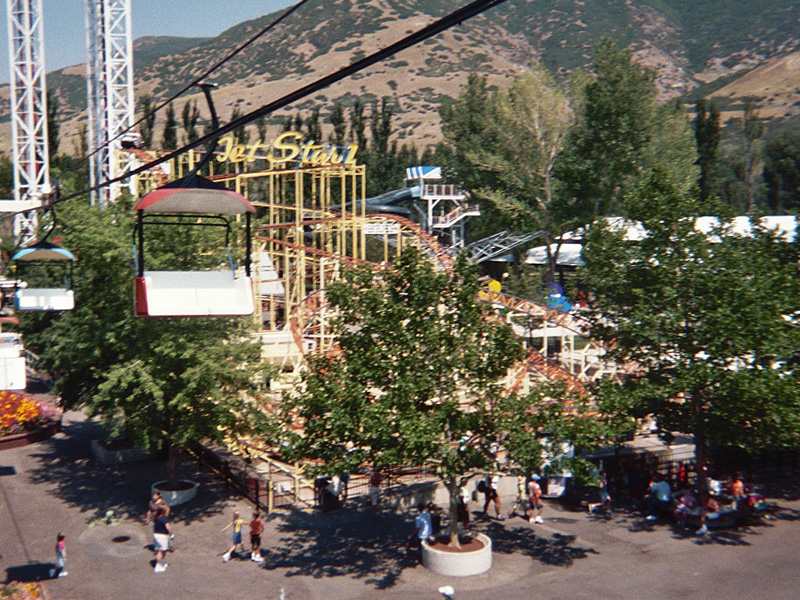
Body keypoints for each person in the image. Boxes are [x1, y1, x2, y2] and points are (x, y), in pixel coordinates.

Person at [152, 507, 172, 573]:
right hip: (162, 536)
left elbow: (154, 527)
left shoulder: (156, 518)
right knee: (161, 551)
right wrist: (171, 534)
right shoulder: (164, 519)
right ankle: (158, 565)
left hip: (156, 535)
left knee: (161, 550)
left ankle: (161, 562)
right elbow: (168, 527)